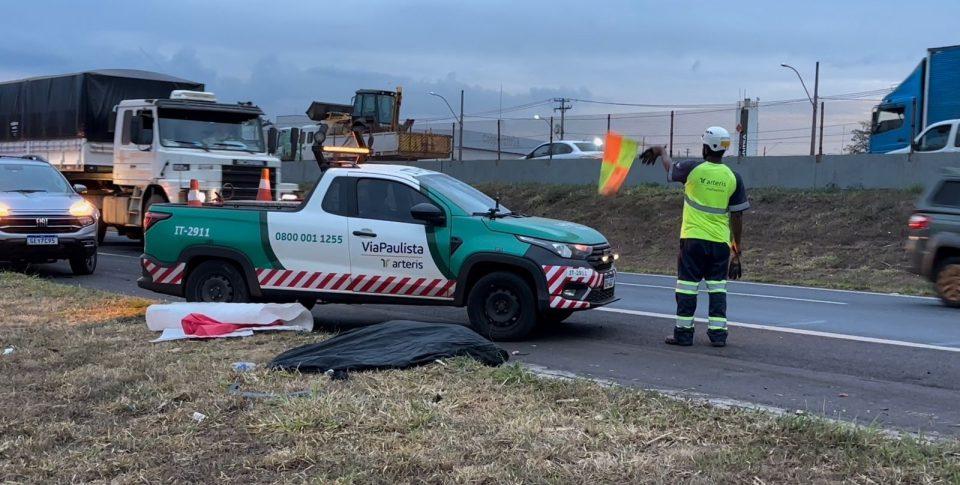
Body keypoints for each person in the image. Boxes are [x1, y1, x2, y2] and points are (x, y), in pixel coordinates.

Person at [643, 127, 749, 347]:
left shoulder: (693, 168)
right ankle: (718, 336)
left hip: (692, 241)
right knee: (718, 288)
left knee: (687, 287)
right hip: (720, 244)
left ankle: (683, 334)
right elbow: (737, 217)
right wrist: (736, 253)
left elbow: (670, 169)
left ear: (706, 146)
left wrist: (662, 151)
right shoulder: (733, 178)